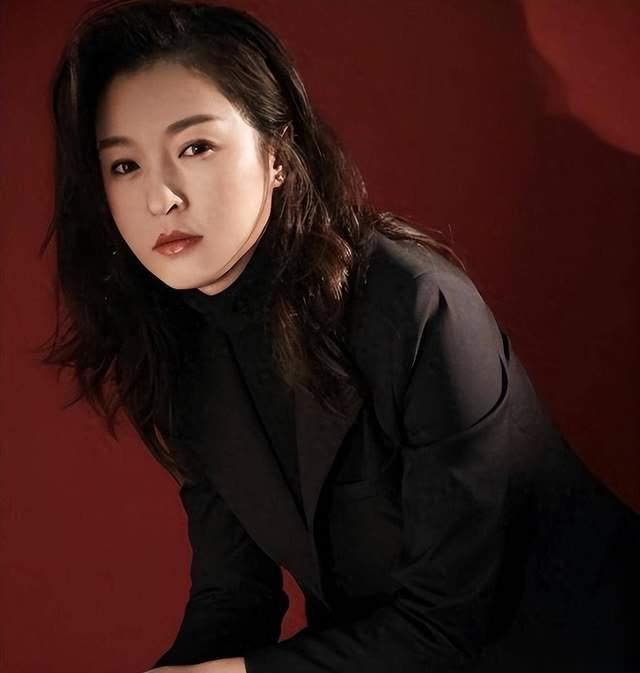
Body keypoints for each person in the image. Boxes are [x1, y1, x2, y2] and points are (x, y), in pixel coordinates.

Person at [38, 1, 639, 671]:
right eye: (125, 166)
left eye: (195, 147)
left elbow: (449, 622)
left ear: (277, 153)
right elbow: (234, 599)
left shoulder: (417, 307)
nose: (161, 198)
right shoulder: (181, 349)